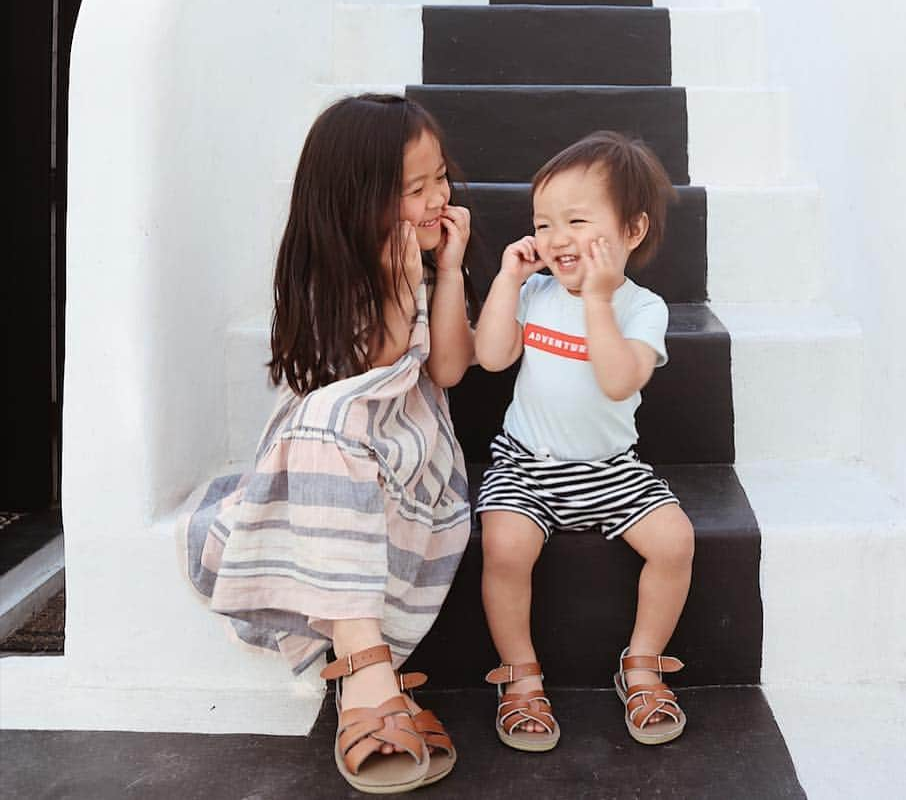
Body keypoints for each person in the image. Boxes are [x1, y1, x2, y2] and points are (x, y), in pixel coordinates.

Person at [181, 94, 474, 793]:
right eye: (416, 188)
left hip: (413, 454)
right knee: (324, 419)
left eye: (442, 179)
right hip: (324, 457)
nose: (439, 198)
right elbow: (350, 381)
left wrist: (449, 271)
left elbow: (449, 370)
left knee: (329, 422)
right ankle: (369, 669)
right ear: (362, 200)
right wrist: (396, 295)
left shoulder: (431, 266)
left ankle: (361, 674)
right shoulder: (329, 279)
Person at [473, 131, 696, 751]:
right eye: (543, 224)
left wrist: (598, 302)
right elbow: (491, 358)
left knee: (675, 540)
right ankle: (521, 677)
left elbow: (619, 381)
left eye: (576, 220)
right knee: (505, 546)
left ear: (632, 230)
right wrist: (506, 282)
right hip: (527, 462)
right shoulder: (536, 293)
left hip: (608, 467)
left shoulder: (643, 308)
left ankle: (643, 666)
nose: (555, 238)